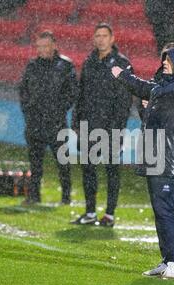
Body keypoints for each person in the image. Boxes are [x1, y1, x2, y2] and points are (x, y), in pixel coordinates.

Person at [112, 46, 174, 279]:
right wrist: (122, 75)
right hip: (158, 159)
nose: (164, 62)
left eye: (170, 59)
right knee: (163, 212)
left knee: (168, 212)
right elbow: (142, 87)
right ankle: (168, 260)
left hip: (172, 160)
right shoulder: (162, 88)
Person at [72, 23, 133, 227]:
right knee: (88, 168)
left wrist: (118, 126)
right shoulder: (89, 61)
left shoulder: (122, 63)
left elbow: (125, 99)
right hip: (88, 125)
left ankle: (109, 214)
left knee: (111, 170)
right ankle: (90, 212)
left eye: (104, 35)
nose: (100, 39)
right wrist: (76, 121)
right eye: (97, 35)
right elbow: (81, 93)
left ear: (112, 38)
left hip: (111, 127)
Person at [19, 31, 78, 205]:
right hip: (34, 122)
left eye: (45, 46)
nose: (42, 49)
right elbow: (23, 91)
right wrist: (28, 111)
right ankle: (33, 195)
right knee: (35, 162)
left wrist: (59, 110)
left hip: (56, 123)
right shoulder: (32, 66)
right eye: (39, 46)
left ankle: (66, 197)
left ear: (54, 45)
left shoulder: (66, 66)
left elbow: (73, 92)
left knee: (62, 161)